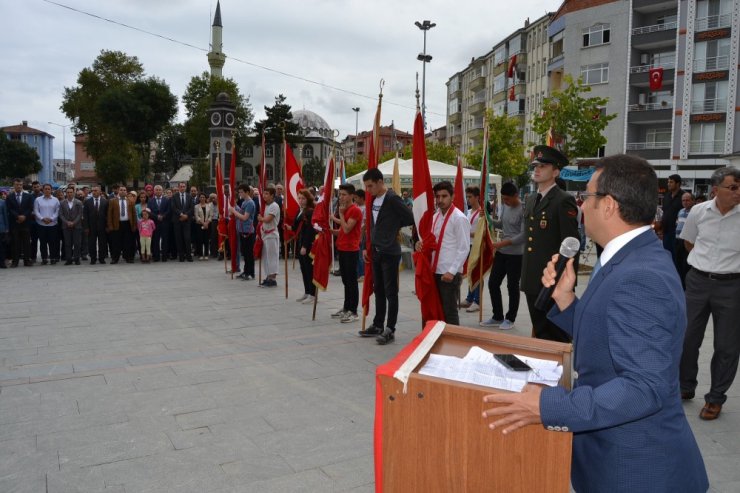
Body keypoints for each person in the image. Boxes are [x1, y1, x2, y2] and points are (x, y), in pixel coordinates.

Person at [482, 154, 708, 492]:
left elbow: (644, 387)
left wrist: (548, 405)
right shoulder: (626, 257)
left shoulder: (641, 275)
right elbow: (613, 336)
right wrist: (567, 301)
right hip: (611, 460)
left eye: (586, 196)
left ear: (609, 206)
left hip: (637, 471)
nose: (581, 205)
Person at [679, 166, 740, 421]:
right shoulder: (698, 211)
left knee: (726, 345)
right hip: (698, 282)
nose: (738, 192)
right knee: (687, 337)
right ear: (716, 190)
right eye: (733, 187)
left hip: (732, 285)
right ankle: (684, 386)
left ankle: (715, 398)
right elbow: (688, 241)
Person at [520, 145, 580, 342]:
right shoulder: (530, 200)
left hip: (552, 281)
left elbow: (571, 244)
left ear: (556, 171)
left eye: (543, 166)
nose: (537, 169)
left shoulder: (563, 200)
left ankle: (559, 372)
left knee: (556, 336)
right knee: (540, 330)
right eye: (535, 165)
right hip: (531, 279)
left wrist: (566, 283)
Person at [360, 168, 415, 344]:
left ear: (380, 182)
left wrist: (392, 230)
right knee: (379, 290)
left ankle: (390, 328)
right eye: (367, 187)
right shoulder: (374, 200)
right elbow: (370, 224)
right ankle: (378, 324)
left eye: (370, 186)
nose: (368, 190)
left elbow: (409, 217)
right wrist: (365, 246)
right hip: (376, 251)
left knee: (391, 292)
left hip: (390, 252)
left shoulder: (392, 199)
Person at [416, 181, 470, 325]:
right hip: (433, 270)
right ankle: (431, 341)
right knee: (431, 308)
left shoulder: (459, 218)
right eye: (437, 196)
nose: (440, 200)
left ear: (452, 196)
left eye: (444, 196)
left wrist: (452, 272)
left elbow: (464, 248)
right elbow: (431, 241)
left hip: (448, 273)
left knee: (449, 312)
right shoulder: (435, 217)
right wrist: (420, 244)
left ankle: (452, 345)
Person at [481, 182, 524, 330]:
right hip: (502, 252)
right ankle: (497, 316)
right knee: (493, 283)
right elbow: (501, 224)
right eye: (503, 199)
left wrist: (503, 243)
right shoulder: (505, 207)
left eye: (508, 199)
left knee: (512, 286)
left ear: (516, 196)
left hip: (516, 254)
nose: (505, 202)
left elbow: (524, 235)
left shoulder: (523, 209)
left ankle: (510, 318)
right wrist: (489, 220)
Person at [330, 184, 363, 322]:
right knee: (345, 280)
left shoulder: (355, 210)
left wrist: (341, 215)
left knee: (351, 281)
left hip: (351, 249)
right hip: (342, 248)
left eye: (344, 194)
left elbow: (348, 228)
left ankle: (353, 311)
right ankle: (346, 307)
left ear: (352, 196)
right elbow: (342, 230)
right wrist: (331, 231)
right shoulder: (345, 209)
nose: (341, 197)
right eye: (340, 194)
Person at [459, 186, 482, 312]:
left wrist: (466, 232)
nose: (468, 199)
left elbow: (481, 232)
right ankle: (469, 298)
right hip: (468, 245)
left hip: (477, 245)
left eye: (470, 197)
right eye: (467, 197)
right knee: (470, 272)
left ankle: (477, 301)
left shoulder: (481, 213)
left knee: (477, 273)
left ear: (477, 197)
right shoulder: (468, 212)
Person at [291, 189, 316, 302]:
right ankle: (307, 291)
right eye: (299, 198)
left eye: (303, 198)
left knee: (309, 269)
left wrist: (305, 246)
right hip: (300, 242)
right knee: (303, 269)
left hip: (307, 244)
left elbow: (310, 230)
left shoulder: (310, 211)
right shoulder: (300, 210)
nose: (300, 200)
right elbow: (296, 227)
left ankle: (313, 294)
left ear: (308, 199)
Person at [230, 185, 256, 280]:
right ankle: (246, 271)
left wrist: (234, 211)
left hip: (248, 231)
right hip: (242, 230)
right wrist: (234, 209)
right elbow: (240, 214)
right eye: (239, 192)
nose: (240, 194)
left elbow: (245, 217)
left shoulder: (250, 203)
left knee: (249, 253)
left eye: (241, 192)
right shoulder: (244, 202)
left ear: (247, 192)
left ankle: (251, 273)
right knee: (244, 253)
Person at [7, 178, 35, 267]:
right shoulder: (9, 196)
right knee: (15, 243)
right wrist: (17, 216)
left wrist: (24, 216)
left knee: (26, 242)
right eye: (17, 185)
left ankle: (27, 261)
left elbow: (30, 208)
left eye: (20, 185)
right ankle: (15, 262)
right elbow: (9, 209)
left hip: (26, 223)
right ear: (14, 185)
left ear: (22, 185)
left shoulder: (29, 196)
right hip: (15, 223)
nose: (19, 186)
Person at [106, 185, 137, 264]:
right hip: (117, 224)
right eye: (121, 190)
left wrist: (134, 225)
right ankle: (115, 258)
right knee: (116, 242)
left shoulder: (130, 201)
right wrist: (110, 225)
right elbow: (109, 214)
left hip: (127, 224)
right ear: (118, 191)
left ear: (126, 192)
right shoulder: (113, 201)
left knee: (127, 242)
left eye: (124, 190)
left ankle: (128, 257)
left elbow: (134, 214)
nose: (122, 191)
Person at [257, 186, 280, 287]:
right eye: (264, 193)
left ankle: (272, 278)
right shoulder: (265, 205)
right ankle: (268, 275)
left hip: (272, 234)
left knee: (272, 257)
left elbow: (268, 219)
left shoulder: (274, 206)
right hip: (265, 234)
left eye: (267, 194)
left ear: (272, 195)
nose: (264, 196)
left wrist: (261, 218)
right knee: (265, 257)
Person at [33, 184, 60, 265]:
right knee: (43, 242)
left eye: (49, 189)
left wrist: (51, 219)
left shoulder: (55, 200)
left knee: (52, 242)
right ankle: (44, 258)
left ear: (51, 190)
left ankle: (53, 258)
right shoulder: (38, 200)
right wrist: (42, 218)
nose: (47, 190)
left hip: (52, 225)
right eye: (45, 189)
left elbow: (57, 211)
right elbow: (36, 211)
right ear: (43, 190)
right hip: (41, 224)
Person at [673, 191, 694, 289]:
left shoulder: (695, 212)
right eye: (683, 200)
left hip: (688, 242)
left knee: (686, 264)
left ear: (692, 201)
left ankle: (686, 285)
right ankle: (679, 283)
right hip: (678, 240)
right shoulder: (680, 211)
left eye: (687, 200)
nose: (685, 202)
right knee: (677, 262)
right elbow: (678, 224)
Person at [58, 185, 84, 265]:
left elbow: (80, 214)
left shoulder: (78, 202)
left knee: (77, 243)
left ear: (74, 193)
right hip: (66, 226)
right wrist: (67, 222)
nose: (69, 194)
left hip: (77, 226)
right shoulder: (62, 203)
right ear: (66, 193)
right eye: (68, 192)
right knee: (67, 243)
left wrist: (73, 222)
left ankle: (77, 258)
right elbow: (60, 214)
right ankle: (68, 259)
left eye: (71, 192)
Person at [660, 173, 684, 257]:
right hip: (666, 231)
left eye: (671, 182)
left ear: (678, 184)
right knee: (666, 254)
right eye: (668, 182)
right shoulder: (666, 196)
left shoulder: (683, 197)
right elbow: (664, 212)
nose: (668, 184)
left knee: (677, 255)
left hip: (678, 233)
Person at [83, 185, 108, 264]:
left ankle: (102, 258)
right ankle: (93, 258)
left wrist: (107, 226)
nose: (94, 192)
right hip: (91, 226)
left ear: (100, 191)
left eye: (96, 190)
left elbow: (107, 215)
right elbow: (85, 215)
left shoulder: (105, 201)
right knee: (91, 243)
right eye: (93, 190)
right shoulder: (87, 201)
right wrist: (86, 227)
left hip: (102, 226)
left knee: (102, 243)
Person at [172, 182, 194, 262]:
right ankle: (181, 256)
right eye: (181, 186)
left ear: (185, 187)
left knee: (187, 238)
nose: (182, 188)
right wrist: (181, 214)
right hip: (177, 221)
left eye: (183, 186)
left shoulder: (189, 196)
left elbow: (192, 208)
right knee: (179, 239)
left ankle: (189, 256)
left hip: (187, 221)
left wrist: (186, 216)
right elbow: (173, 207)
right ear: (178, 187)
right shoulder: (174, 196)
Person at [147, 185, 170, 262]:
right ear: (154, 191)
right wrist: (157, 217)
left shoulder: (166, 200)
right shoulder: (150, 200)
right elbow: (149, 212)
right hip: (155, 223)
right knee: (155, 240)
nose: (158, 191)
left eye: (159, 190)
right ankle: (156, 257)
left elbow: (168, 210)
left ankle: (164, 256)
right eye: (156, 190)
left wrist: (163, 216)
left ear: (162, 191)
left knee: (165, 240)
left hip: (164, 223)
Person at [194, 193, 213, 260]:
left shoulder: (209, 206)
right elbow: (196, 216)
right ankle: (200, 254)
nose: (202, 198)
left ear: (205, 198)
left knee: (206, 240)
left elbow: (211, 216)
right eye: (201, 197)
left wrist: (207, 223)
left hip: (208, 225)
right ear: (199, 198)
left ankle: (206, 254)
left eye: (203, 197)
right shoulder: (196, 206)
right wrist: (203, 223)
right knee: (200, 240)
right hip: (199, 225)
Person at [0, 194, 7, 268]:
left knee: (1, 246)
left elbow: (5, 215)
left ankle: (2, 262)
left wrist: (7, 227)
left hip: (1, 227)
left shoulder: (2, 202)